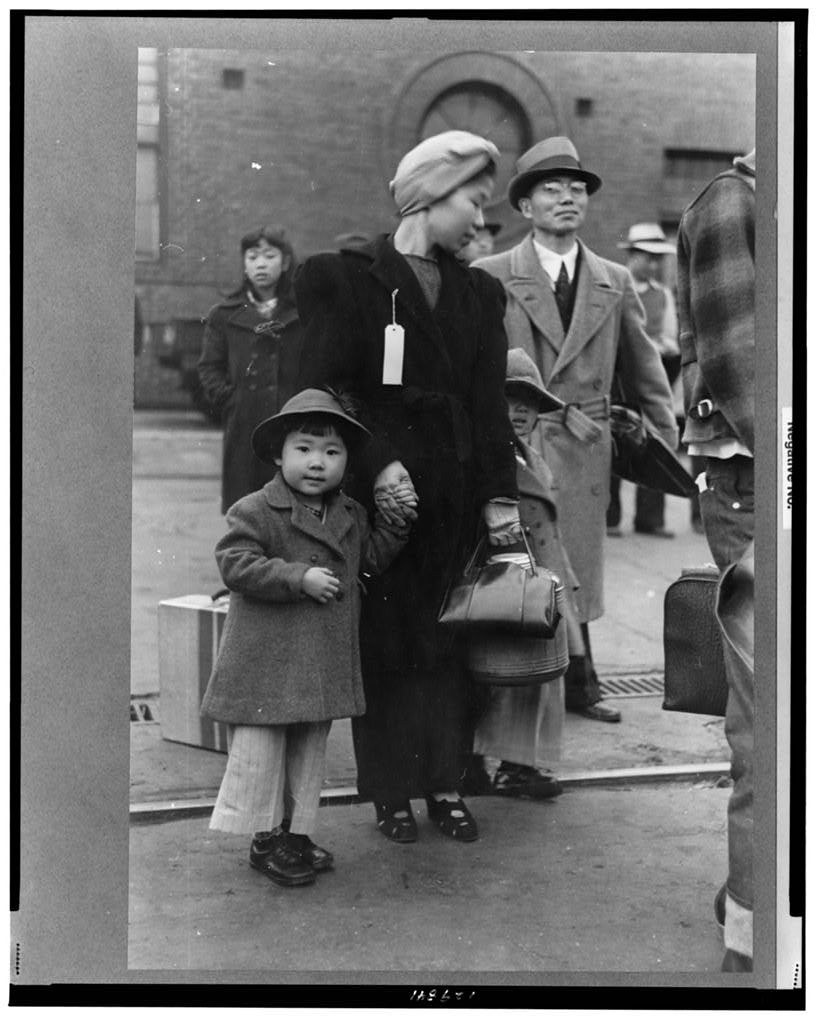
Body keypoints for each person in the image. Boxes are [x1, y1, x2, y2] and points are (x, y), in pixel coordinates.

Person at [295, 130, 521, 844]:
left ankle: (447, 783)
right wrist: (378, 463)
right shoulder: (345, 278)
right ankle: (390, 791)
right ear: (430, 194)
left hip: (457, 495)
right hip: (383, 503)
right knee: (388, 645)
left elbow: (489, 407)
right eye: (473, 201)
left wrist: (500, 500)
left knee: (453, 644)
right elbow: (327, 390)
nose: (480, 219)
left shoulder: (480, 293)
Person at [475, 137, 678, 725]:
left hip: (587, 442)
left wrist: (664, 442)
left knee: (579, 565)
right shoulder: (491, 275)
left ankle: (580, 683)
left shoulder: (614, 279)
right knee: (525, 562)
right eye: (551, 189)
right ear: (524, 206)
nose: (567, 198)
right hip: (520, 440)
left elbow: (644, 370)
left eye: (576, 189)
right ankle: (525, 685)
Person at [200, 388, 411, 887]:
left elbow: (368, 560)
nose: (318, 462)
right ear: (279, 455)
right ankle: (265, 839)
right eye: (304, 449)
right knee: (262, 754)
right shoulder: (256, 509)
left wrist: (396, 528)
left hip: (317, 664)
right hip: (268, 664)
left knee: (308, 755)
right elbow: (235, 563)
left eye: (332, 452)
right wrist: (298, 577)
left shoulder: (350, 514)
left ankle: (295, 835)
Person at [676, 149, 755, 972]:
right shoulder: (737, 198)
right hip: (764, 484)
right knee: (772, 722)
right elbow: (741, 364)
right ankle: (756, 931)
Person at [467, 348, 582, 800]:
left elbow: (552, 527)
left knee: (539, 681)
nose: (518, 412)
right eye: (507, 400)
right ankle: (487, 763)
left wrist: (567, 581)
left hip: (542, 585)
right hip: (509, 587)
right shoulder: (488, 458)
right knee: (504, 678)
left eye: (528, 404)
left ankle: (519, 765)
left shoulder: (532, 456)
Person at [198, 225, 303, 514]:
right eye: (253, 257)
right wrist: (232, 401)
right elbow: (209, 367)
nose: (260, 264)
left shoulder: (302, 312)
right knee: (247, 513)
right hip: (244, 426)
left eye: (269, 256)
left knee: (291, 511)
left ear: (285, 262)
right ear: (244, 264)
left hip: (290, 422)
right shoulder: (224, 315)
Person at [607, 222, 680, 539]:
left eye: (657, 259)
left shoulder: (662, 295)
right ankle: (609, 518)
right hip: (616, 375)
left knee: (655, 441)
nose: (653, 265)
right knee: (613, 439)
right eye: (648, 258)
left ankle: (650, 519)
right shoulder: (613, 287)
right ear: (633, 255)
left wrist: (659, 348)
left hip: (651, 373)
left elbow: (670, 339)